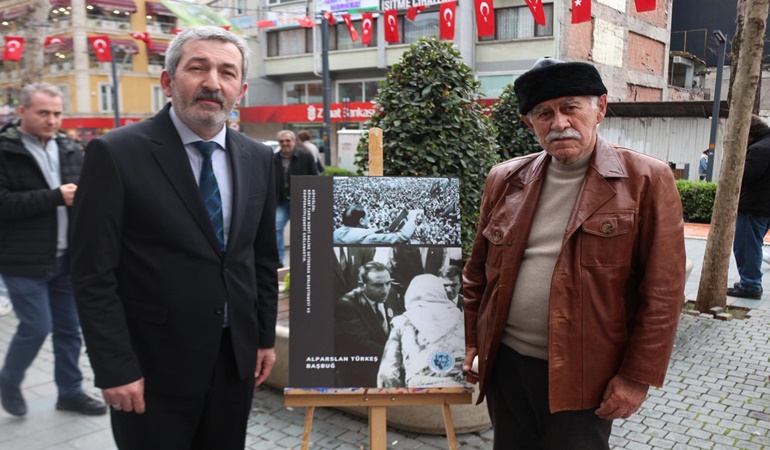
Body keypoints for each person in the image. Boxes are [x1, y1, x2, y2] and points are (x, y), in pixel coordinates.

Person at [69, 26, 278, 449]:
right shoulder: (115, 153)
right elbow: (93, 274)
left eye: (227, 72)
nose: (212, 83)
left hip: (233, 362)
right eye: (197, 68)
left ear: (241, 89)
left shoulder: (258, 157)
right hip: (150, 368)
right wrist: (114, 367)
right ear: (168, 81)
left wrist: (263, 337)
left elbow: (260, 258)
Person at [462, 57, 686, 449]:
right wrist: (472, 343)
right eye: (543, 113)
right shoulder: (505, 179)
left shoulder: (646, 179)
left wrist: (637, 377)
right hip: (506, 365)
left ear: (599, 108)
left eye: (571, 107)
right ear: (528, 122)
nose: (559, 123)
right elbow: (477, 272)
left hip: (586, 373)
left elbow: (664, 292)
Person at [0, 82, 106, 417]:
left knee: (69, 330)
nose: (52, 120)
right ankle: (8, 380)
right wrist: (54, 197)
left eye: (57, 113)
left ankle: (70, 393)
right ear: (23, 112)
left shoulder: (69, 147)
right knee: (36, 326)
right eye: (43, 112)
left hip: (67, 259)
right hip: (22, 260)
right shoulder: (4, 150)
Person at [377, 274, 466, 388]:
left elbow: (388, 371)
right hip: (458, 384)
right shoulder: (461, 318)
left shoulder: (403, 322)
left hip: (420, 386)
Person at [334, 261, 405, 387]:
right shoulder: (347, 304)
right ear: (362, 285)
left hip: (390, 364)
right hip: (362, 374)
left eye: (388, 283)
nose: (385, 290)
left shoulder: (391, 294)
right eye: (378, 285)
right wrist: (398, 355)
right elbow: (362, 344)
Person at [726, 115, 770, 300]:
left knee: (746, 247)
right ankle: (749, 282)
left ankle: (750, 285)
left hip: (754, 206)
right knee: (752, 245)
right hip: (763, 205)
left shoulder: (760, 149)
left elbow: (747, 174)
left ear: (748, 133)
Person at [274, 129, 318, 267]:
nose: (285, 143)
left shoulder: (306, 157)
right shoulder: (273, 159)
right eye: (282, 141)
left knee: (302, 232)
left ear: (294, 141)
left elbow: (315, 178)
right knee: (276, 228)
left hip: (301, 201)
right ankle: (279, 261)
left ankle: (302, 263)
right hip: (281, 201)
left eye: (288, 140)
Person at [333, 204, 422, 244]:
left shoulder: (336, 233)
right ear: (361, 221)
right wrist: (412, 218)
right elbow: (401, 237)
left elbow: (355, 234)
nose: (369, 218)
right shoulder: (364, 237)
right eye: (367, 217)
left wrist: (379, 231)